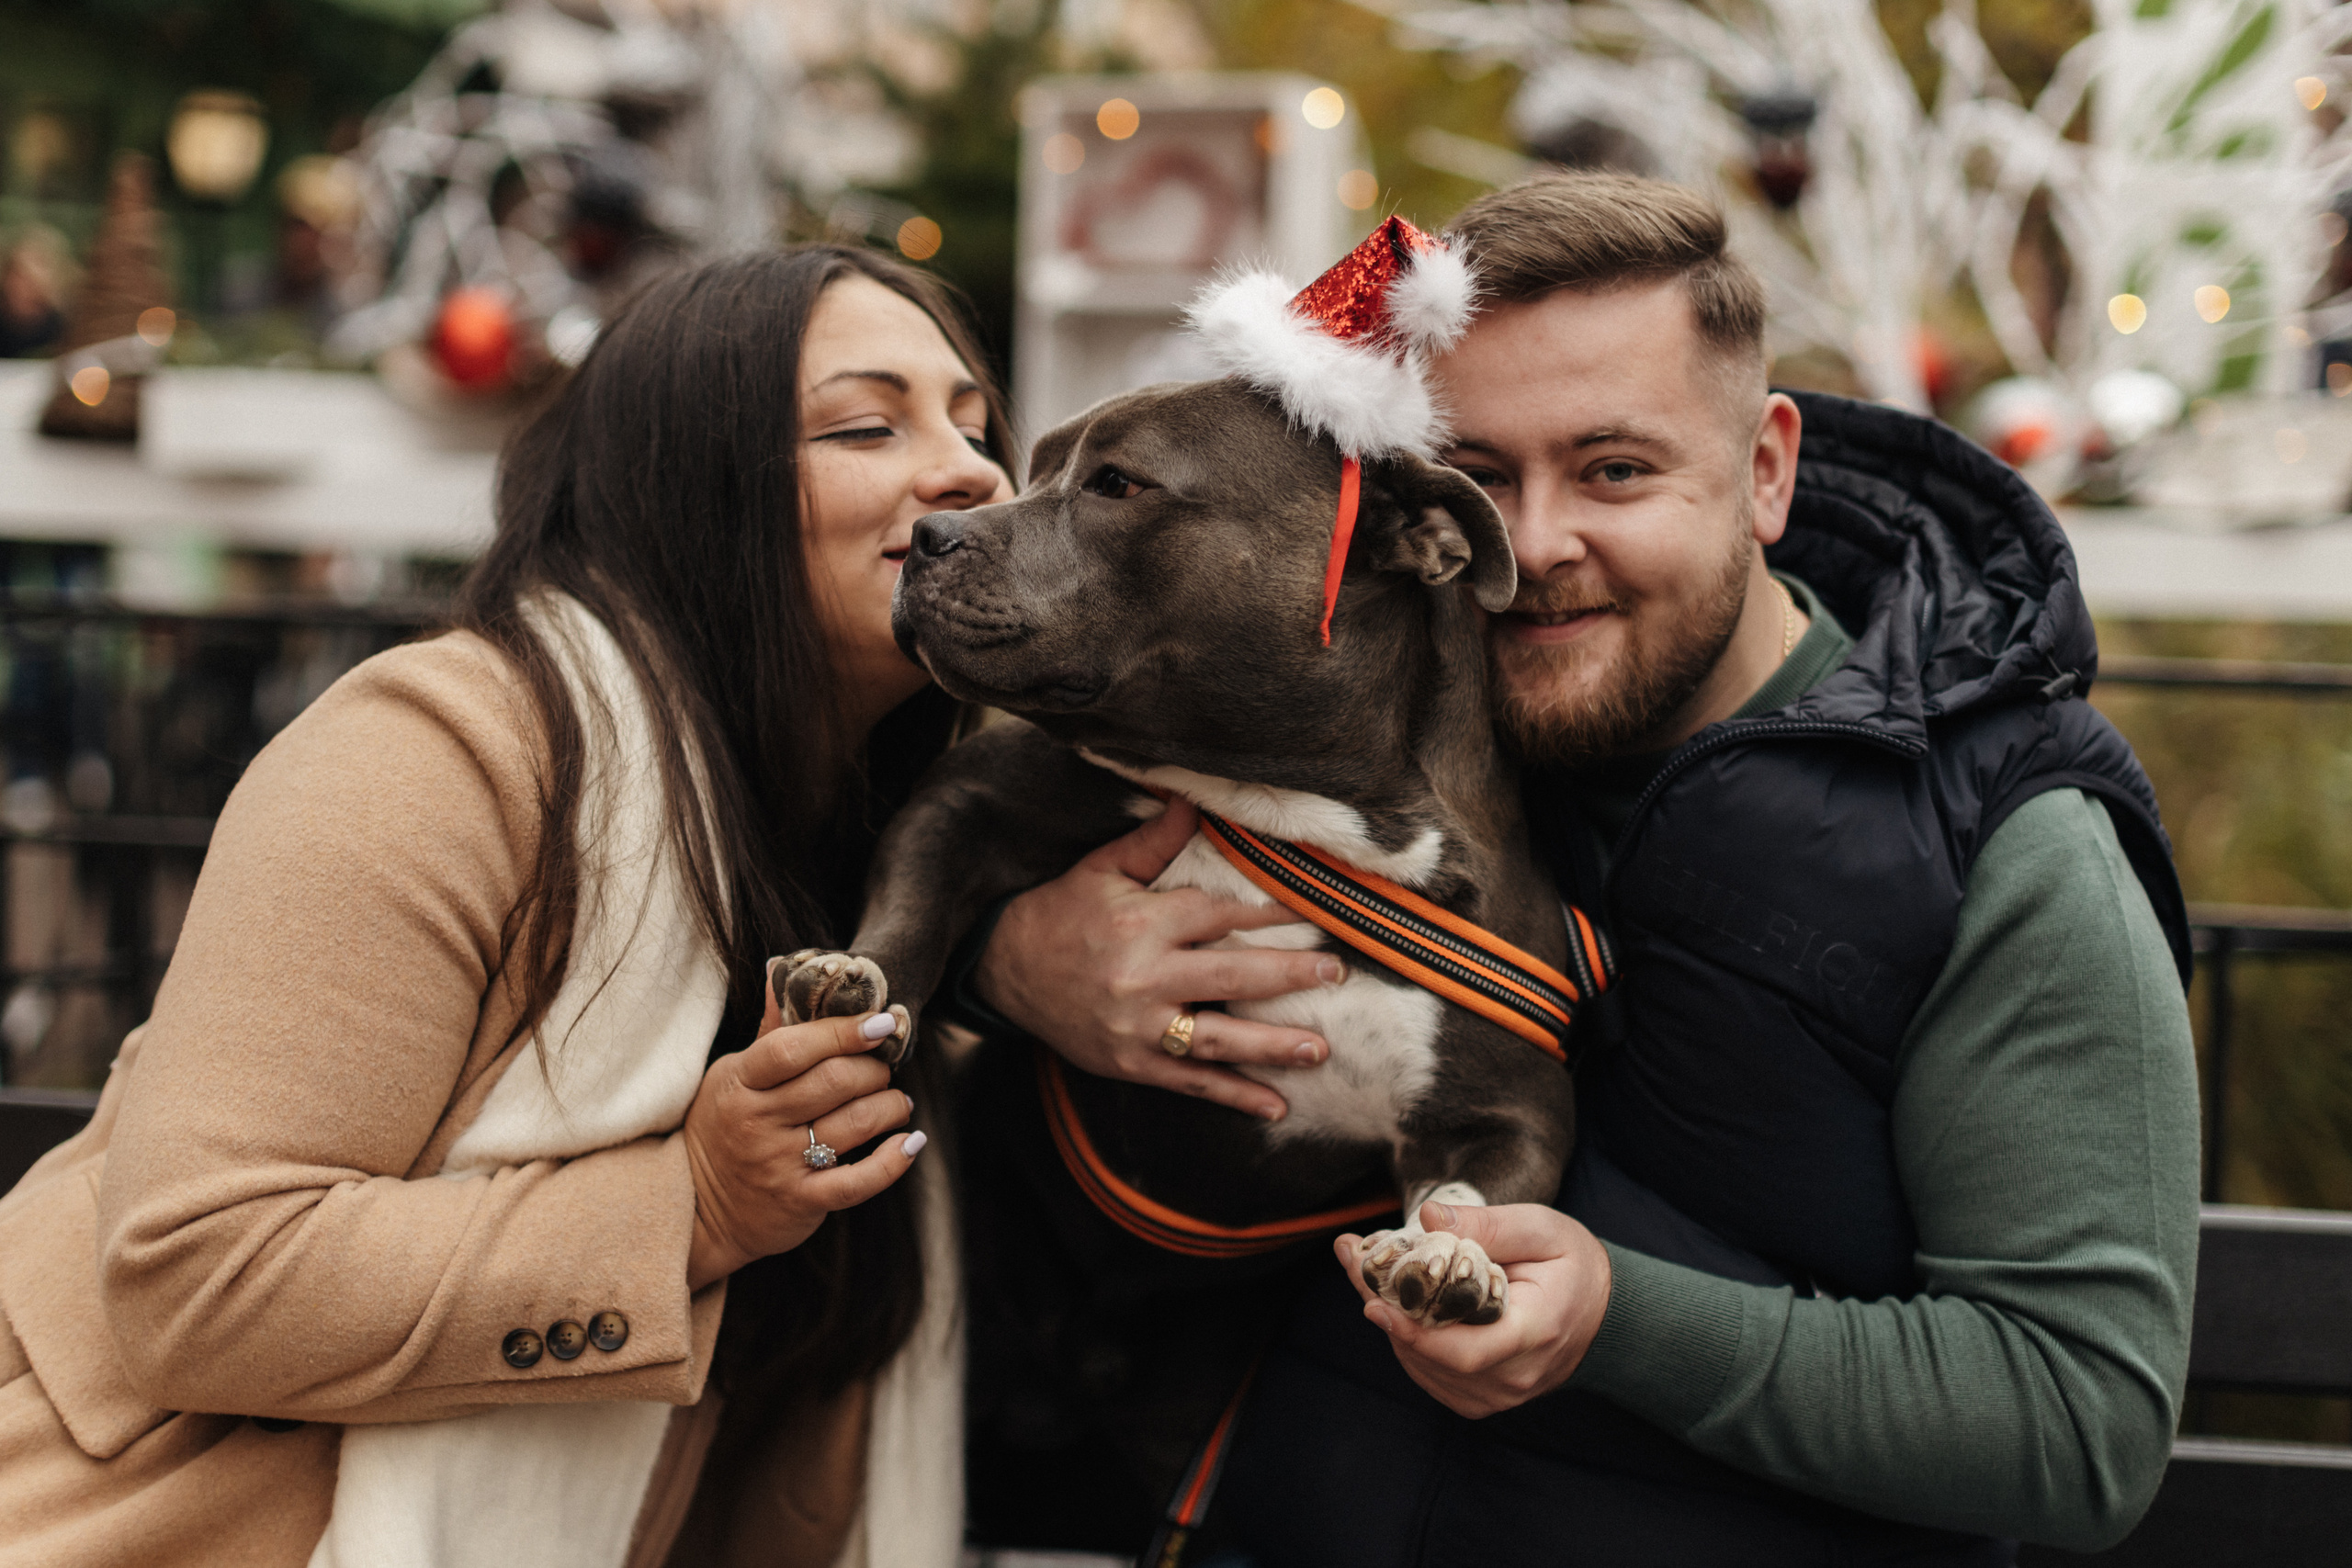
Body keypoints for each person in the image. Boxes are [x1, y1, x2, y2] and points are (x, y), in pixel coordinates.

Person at [963, 173, 2199, 1564]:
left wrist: (1619, 1317)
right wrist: (1015, 969)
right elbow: (957, 836)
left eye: (1615, 469)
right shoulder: (1369, 731)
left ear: (1765, 470)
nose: (1538, 547)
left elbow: (2079, 1425)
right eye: (1481, 476)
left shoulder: (2005, 841)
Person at [0, 244, 1012, 1568]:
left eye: (977, 427)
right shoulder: (443, 750)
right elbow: (201, 1274)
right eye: (866, 425)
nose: (973, 474)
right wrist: (692, 1209)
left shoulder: (901, 855)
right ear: (689, 482)